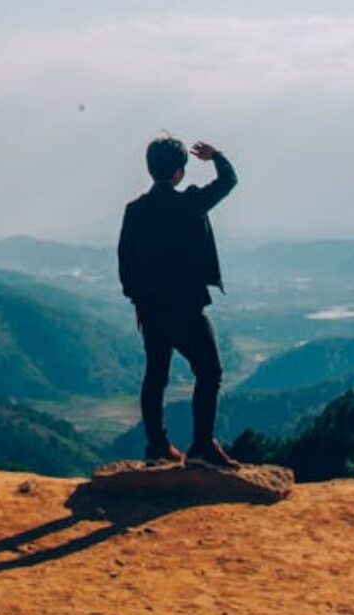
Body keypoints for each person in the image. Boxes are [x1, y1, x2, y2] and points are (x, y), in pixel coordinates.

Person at [117, 135, 240, 468]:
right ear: (178, 172)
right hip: (185, 306)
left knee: (156, 375)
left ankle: (158, 446)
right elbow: (228, 181)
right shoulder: (189, 203)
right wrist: (216, 155)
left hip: (151, 308)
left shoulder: (136, 210)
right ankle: (202, 445)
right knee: (209, 372)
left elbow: (125, 260)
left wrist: (138, 300)